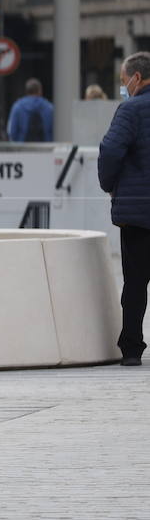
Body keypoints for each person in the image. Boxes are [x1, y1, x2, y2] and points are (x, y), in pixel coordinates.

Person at [97, 51, 150, 366]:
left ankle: (131, 348)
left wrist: (109, 185)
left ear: (137, 78)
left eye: (123, 82)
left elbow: (111, 150)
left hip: (138, 215)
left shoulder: (130, 110)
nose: (124, 87)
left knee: (135, 283)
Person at [8, 78, 55, 142]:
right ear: (40, 91)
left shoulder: (17, 107)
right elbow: (55, 131)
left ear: (26, 91)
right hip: (45, 148)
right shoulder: (49, 107)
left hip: (23, 148)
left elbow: (12, 132)